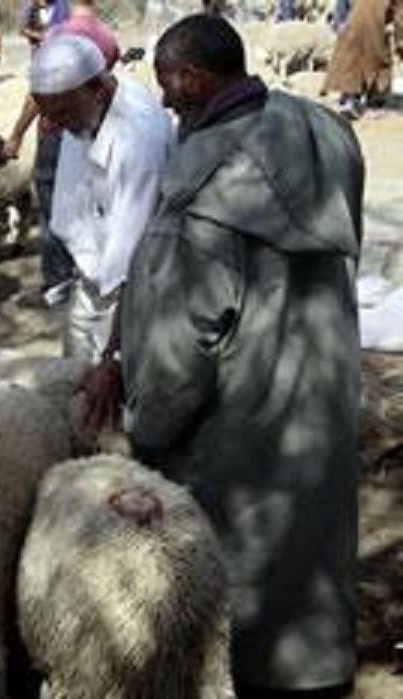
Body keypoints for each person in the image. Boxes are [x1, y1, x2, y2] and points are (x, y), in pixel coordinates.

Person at [122, 15, 364, 697]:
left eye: (168, 82)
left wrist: (147, 430)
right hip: (321, 401)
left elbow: (179, 349)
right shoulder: (322, 135)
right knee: (315, 563)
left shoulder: (202, 198)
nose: (164, 99)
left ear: (194, 78)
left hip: (240, 429)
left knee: (244, 586)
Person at [27, 33, 171, 375]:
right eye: (45, 113)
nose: (50, 125)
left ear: (99, 90)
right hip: (90, 281)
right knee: (72, 383)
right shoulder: (84, 113)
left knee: (110, 399)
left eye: (60, 112)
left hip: (129, 301)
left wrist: (114, 357)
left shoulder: (138, 143)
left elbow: (131, 264)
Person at [5, 0, 120, 309]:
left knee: (54, 206)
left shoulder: (59, 35)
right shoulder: (108, 37)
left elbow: (38, 92)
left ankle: (58, 282)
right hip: (94, 130)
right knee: (88, 201)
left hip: (58, 130)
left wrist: (17, 133)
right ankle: (89, 275)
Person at [323, 0, 403, 119]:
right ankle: (370, 98)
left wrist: (338, 23)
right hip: (372, 25)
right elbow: (400, 18)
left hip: (351, 24)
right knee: (378, 59)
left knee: (351, 61)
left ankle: (351, 97)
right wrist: (399, 42)